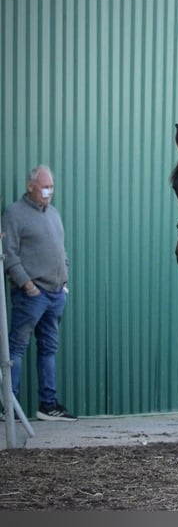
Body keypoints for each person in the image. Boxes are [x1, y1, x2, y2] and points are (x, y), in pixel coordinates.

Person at [2, 165, 77, 421]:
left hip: (56, 294)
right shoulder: (15, 213)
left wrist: (64, 282)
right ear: (30, 186)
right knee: (16, 349)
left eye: (52, 187)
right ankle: (8, 406)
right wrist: (27, 284)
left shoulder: (54, 214)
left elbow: (61, 250)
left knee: (48, 349)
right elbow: (9, 253)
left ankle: (47, 405)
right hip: (31, 295)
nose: (48, 191)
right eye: (44, 186)